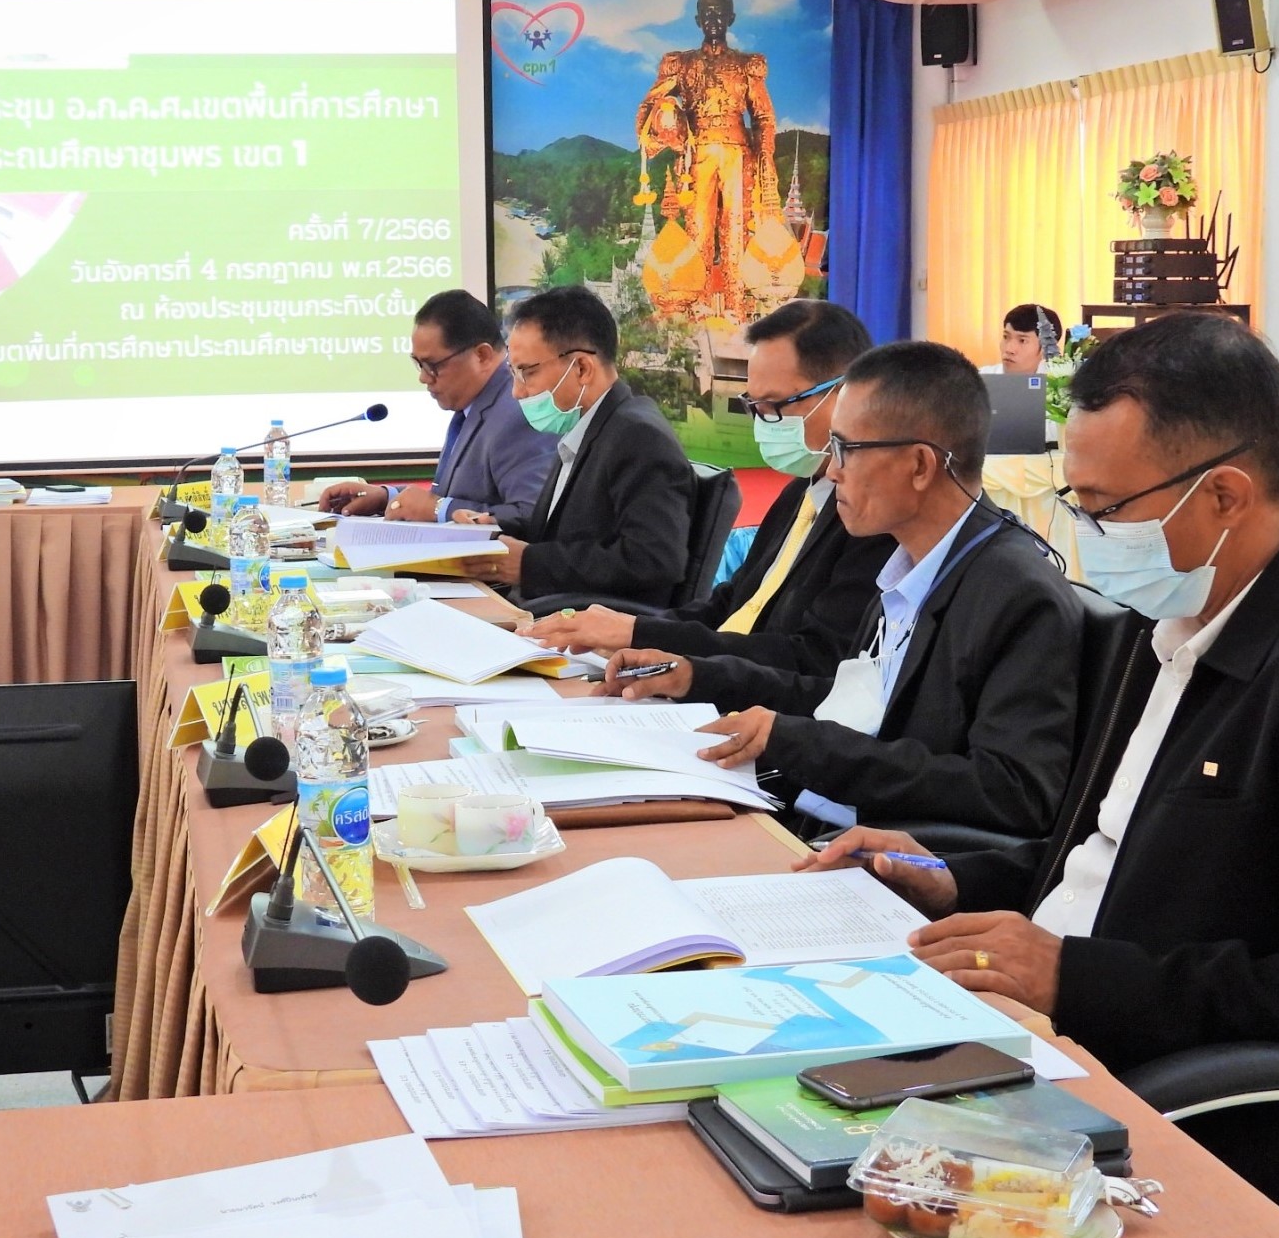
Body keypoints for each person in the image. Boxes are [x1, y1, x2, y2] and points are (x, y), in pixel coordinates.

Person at [801, 313, 1279, 1238]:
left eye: (1106, 509)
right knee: (785, 1103)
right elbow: (1114, 859)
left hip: (1171, 1103)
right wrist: (952, 875)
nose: (1087, 539)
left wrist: (1075, 976)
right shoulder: (1166, 624)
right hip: (1051, 1035)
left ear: (1225, 495)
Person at [596, 340, 1084, 844]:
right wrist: (698, 675)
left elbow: (1012, 791)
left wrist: (802, 744)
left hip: (882, 857)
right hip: (815, 820)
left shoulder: (1016, 595)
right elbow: (847, 700)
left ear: (920, 465)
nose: (832, 470)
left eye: (846, 449)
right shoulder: (909, 562)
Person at [523, 300, 895, 675]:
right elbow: (731, 604)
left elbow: (812, 659)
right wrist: (635, 632)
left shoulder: (873, 519)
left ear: (845, 395)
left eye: (777, 405)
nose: (764, 423)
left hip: (749, 696)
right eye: (755, 406)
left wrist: (653, 645)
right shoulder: (799, 493)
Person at [458, 285, 694, 608]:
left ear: (582, 368)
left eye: (528, 373)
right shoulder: (587, 427)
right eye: (513, 373)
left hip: (585, 625)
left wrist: (529, 563)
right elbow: (574, 530)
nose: (517, 392)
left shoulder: (639, 437)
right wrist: (496, 529)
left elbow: (653, 558)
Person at [317, 290, 557, 528]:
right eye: (418, 363)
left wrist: (439, 509)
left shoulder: (517, 412)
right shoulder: (474, 405)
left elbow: (532, 515)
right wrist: (387, 498)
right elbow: (453, 495)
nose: (423, 377)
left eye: (432, 365)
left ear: (482, 355)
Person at [636, 0, 780, 322]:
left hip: (736, 152)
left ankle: (736, 306)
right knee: (698, 228)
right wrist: (666, 124)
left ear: (730, 19)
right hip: (696, 152)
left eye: (719, 14)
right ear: (698, 21)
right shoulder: (682, 64)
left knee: (736, 227)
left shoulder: (746, 65)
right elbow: (650, 103)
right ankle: (697, 304)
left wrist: (765, 158)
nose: (713, 20)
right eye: (707, 14)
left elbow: (763, 116)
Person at [979, 302, 1064, 375]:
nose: (1009, 349)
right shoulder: (980, 379)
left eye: (1022, 341)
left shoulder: (1059, 383)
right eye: (1006, 337)